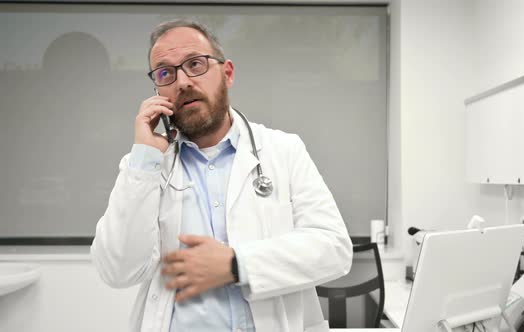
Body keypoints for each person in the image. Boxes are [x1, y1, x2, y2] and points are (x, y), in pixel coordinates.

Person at [91, 19, 353, 332]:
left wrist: (235, 264)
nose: (183, 81)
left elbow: (333, 249)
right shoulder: (145, 166)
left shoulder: (283, 150)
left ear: (226, 73)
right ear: (157, 90)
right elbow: (118, 271)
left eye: (195, 64)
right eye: (165, 72)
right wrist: (144, 159)